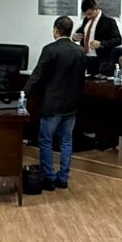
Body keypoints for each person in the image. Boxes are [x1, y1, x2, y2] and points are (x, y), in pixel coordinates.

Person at [26, 15, 86, 190]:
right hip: (71, 104)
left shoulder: (50, 50)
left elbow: (37, 75)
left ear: (56, 30)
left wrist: (24, 93)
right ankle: (63, 178)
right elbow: (81, 79)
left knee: (46, 140)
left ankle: (49, 177)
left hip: (52, 104)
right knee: (66, 141)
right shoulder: (79, 51)